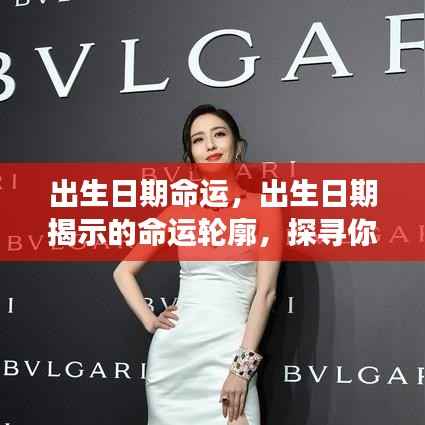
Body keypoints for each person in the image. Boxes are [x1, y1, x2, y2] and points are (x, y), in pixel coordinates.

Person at [113, 104, 282, 424]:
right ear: (191, 156)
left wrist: (241, 371)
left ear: (238, 146)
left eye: (219, 134)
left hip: (231, 353)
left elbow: (266, 294)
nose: (211, 145)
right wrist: (150, 321)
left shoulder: (264, 209)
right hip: (174, 358)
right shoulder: (181, 211)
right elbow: (123, 271)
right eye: (198, 139)